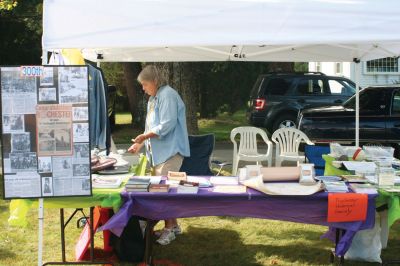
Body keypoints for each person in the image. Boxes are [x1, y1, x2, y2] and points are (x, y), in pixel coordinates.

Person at [128, 65, 190, 245]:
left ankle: (169, 229)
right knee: (163, 190)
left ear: (155, 81)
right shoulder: (154, 98)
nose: (143, 88)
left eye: (145, 84)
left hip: (170, 151)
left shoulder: (168, 95)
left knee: (164, 191)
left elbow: (167, 125)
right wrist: (139, 143)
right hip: (159, 154)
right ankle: (174, 226)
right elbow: (150, 127)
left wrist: (145, 136)